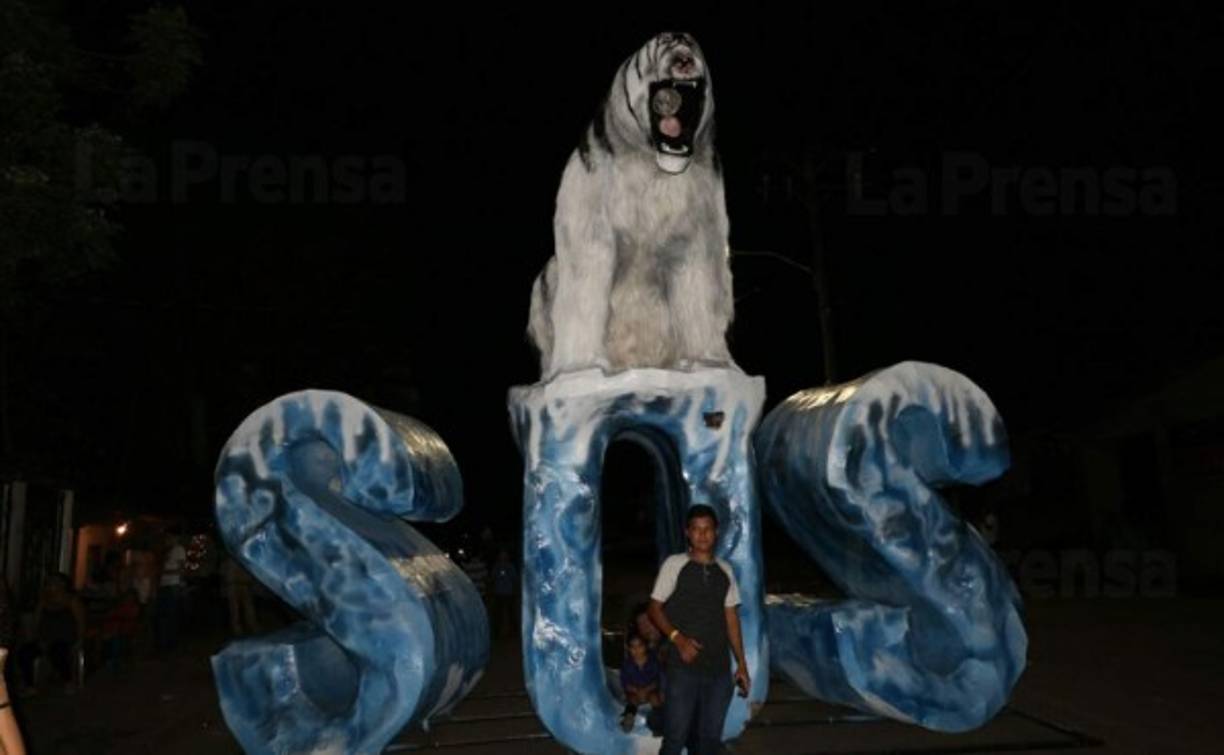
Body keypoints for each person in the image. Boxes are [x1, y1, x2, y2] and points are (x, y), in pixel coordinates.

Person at [648, 504, 749, 755]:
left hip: (718, 671)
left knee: (709, 743)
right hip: (683, 669)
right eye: (696, 529)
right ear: (687, 533)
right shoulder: (675, 565)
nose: (702, 535)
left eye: (708, 529)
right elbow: (654, 608)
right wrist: (678, 639)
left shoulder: (725, 571)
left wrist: (742, 664)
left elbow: (731, 619)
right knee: (674, 739)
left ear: (716, 533)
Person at [619, 632, 663, 732]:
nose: (636, 650)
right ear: (628, 649)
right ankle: (628, 718)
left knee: (654, 698)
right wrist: (636, 690)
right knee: (632, 699)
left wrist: (646, 690)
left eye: (640, 646)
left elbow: (658, 680)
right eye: (633, 647)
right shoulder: (627, 664)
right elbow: (625, 682)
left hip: (650, 690)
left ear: (645, 647)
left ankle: (659, 719)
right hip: (634, 691)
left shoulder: (653, 662)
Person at [154, 532, 187, 652]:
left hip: (173, 585)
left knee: (171, 615)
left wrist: (165, 573)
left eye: (169, 537)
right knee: (164, 615)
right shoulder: (168, 550)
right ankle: (164, 642)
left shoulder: (179, 549)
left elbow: (181, 570)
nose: (167, 540)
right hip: (165, 585)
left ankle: (171, 643)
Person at [490, 548, 518, 639]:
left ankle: (514, 632)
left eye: (505, 555)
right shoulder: (496, 566)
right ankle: (496, 632)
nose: (503, 556)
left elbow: (514, 578)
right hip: (499, 592)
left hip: (509, 592)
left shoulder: (510, 566)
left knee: (511, 613)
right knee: (498, 614)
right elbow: (493, 577)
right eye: (502, 555)